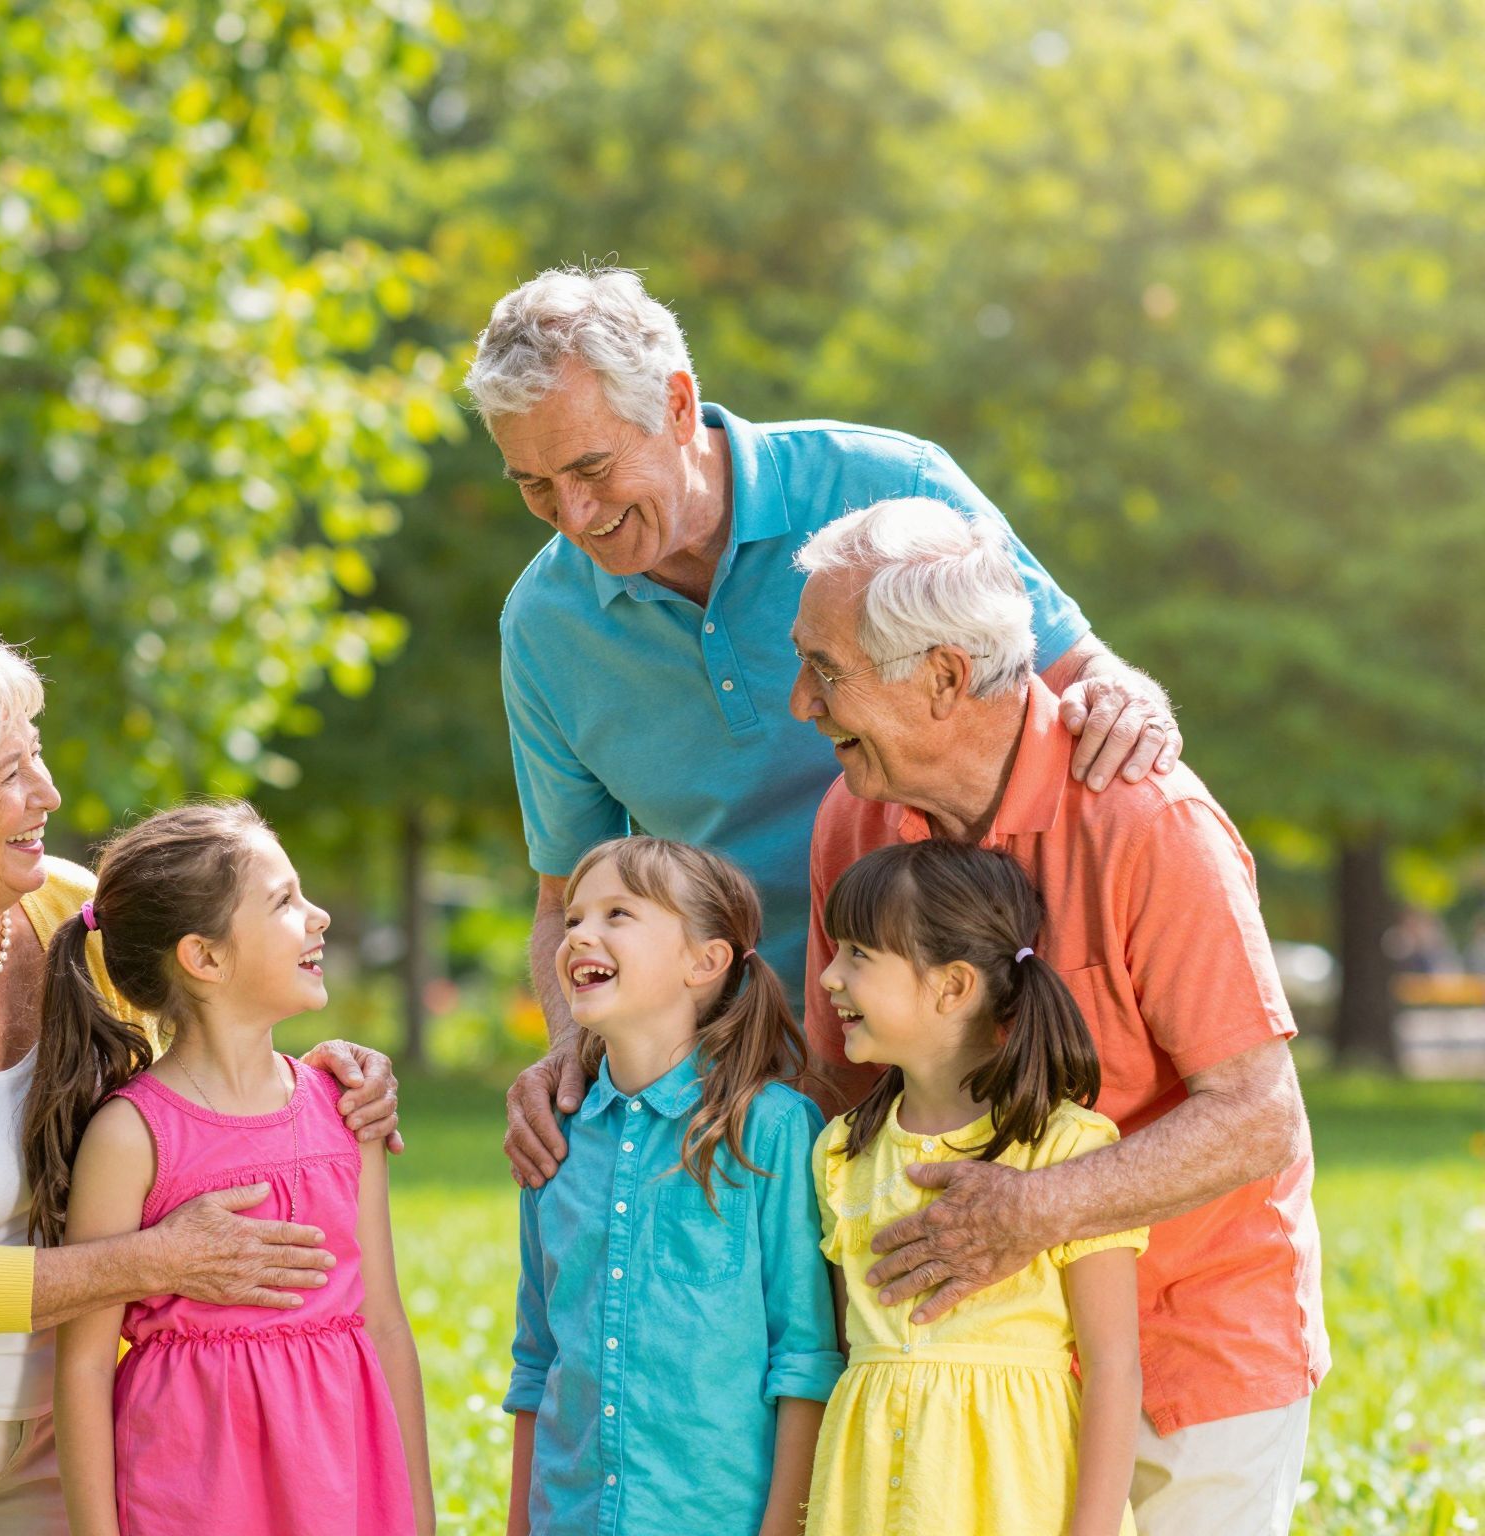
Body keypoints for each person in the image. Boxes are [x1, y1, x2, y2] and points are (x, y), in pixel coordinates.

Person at [470, 266, 1187, 1188]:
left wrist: (1125, 691)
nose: (576, 517)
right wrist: (573, 1048)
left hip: (981, 1021)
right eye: (534, 486)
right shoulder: (543, 628)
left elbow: (1075, 679)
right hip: (758, 1076)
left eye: (593, 468)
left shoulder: (890, 484)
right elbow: (560, 895)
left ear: (679, 405)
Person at [0, 615, 402, 1535]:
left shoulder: (72, 913)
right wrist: (156, 1261)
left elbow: (210, 1026)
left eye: (36, 754)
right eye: (9, 775)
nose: (48, 791)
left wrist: (333, 1078)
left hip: (68, 1418)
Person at [793, 499, 1325, 1534]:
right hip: (960, 1375)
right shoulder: (851, 819)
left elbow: (1257, 1115)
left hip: (1185, 1340)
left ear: (942, 677)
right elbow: (842, 1088)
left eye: (825, 669)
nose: (798, 702)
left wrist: (1033, 1212)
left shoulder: (1146, 819)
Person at [38, 801, 434, 1536]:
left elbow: (382, 1320)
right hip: (193, 1490)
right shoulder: (131, 1137)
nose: (317, 916)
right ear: (206, 957)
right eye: (285, 901)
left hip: (341, 1480)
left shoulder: (346, 1109)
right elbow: (86, 1366)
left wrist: (417, 1514)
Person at [505, 836, 843, 1536]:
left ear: (705, 960)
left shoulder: (773, 1130)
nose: (580, 936)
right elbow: (537, 1363)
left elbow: (805, 1359)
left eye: (617, 915)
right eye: (572, 920)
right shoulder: (552, 1140)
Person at [810, 839, 1144, 1536]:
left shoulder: (1068, 1149)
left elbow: (1113, 1367)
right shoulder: (843, 1151)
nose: (829, 978)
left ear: (953, 986)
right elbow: (847, 1347)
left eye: (859, 955)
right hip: (867, 1497)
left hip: (1017, 1496)